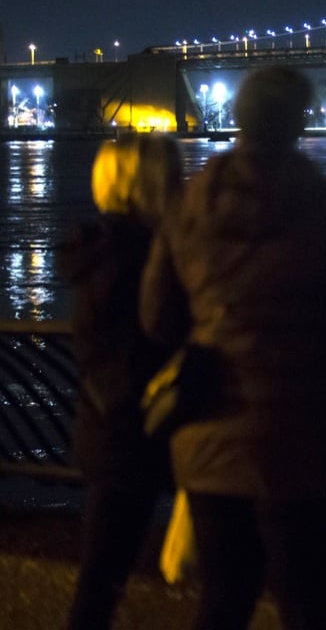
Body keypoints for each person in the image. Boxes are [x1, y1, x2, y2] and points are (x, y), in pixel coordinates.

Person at [139, 65, 326, 630]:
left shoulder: (188, 207)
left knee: (223, 604)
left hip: (209, 443)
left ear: (240, 119)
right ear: (298, 122)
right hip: (304, 438)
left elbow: (156, 319)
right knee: (310, 607)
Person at [59, 132, 183, 630]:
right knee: (102, 579)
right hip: (133, 437)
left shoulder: (101, 252)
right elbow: (136, 352)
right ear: (145, 186)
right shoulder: (136, 258)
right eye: (172, 176)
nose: (182, 185)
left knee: (104, 575)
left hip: (111, 432)